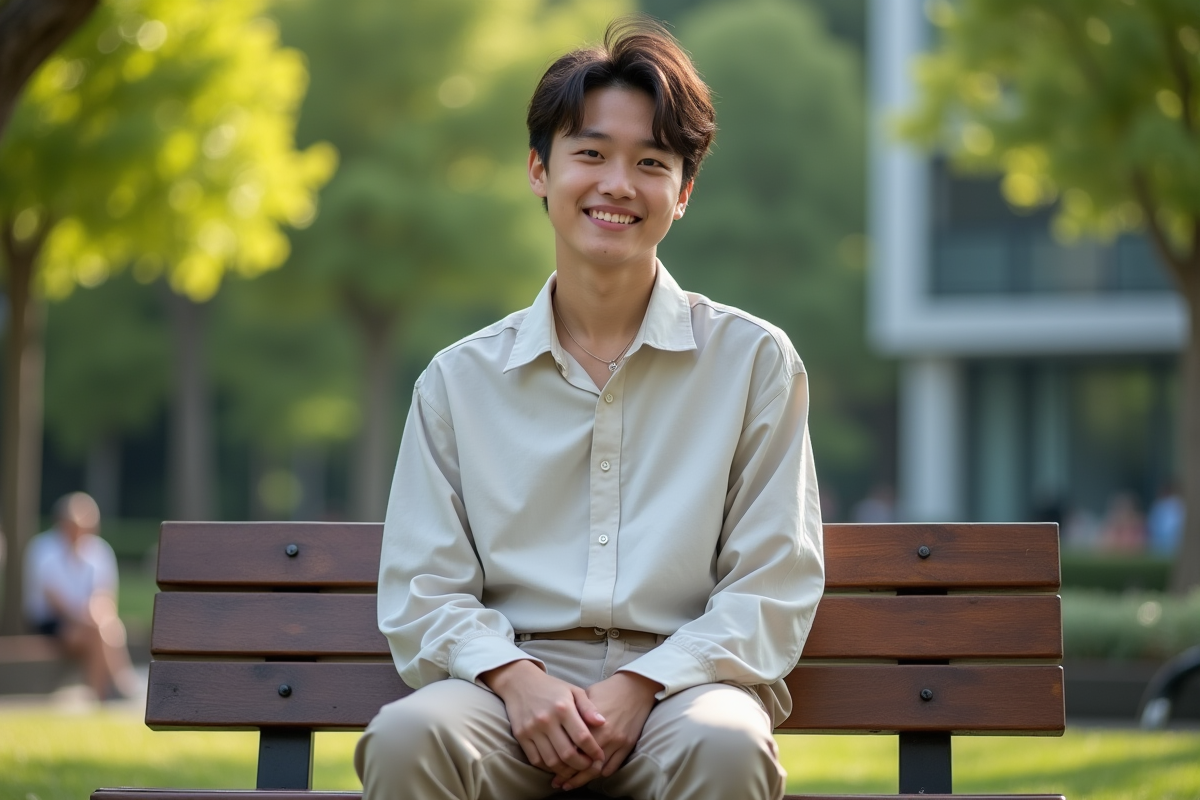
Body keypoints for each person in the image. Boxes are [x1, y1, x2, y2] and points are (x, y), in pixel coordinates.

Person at [356, 18, 824, 800]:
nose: (617, 184)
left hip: (683, 689)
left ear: (684, 192)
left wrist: (643, 684)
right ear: (540, 170)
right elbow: (424, 588)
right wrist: (516, 680)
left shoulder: (754, 363)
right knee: (408, 736)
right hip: (504, 695)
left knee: (727, 744)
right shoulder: (458, 380)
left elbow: (772, 585)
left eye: (651, 162)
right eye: (591, 154)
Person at [22, 492, 139, 700]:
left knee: (103, 629)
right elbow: (53, 600)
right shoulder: (42, 549)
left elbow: (105, 597)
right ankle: (117, 685)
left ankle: (102, 693)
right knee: (103, 631)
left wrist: (95, 617)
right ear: (62, 523)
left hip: (90, 624)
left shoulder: (100, 551)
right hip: (51, 624)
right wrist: (86, 618)